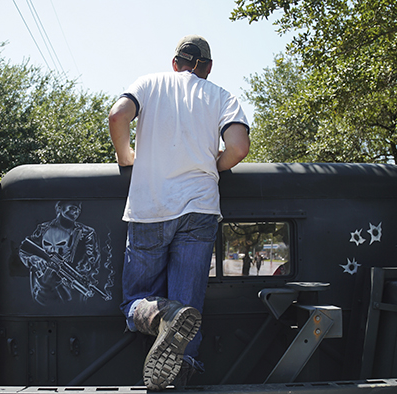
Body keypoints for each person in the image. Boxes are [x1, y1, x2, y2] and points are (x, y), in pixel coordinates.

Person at [108, 35, 250, 390]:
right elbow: (238, 146)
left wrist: (127, 157)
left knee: (135, 299)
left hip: (150, 206)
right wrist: (215, 164)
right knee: (190, 303)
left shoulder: (148, 84)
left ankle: (160, 315)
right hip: (200, 208)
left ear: (175, 63)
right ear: (208, 67)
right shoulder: (221, 96)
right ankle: (181, 371)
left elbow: (117, 115)